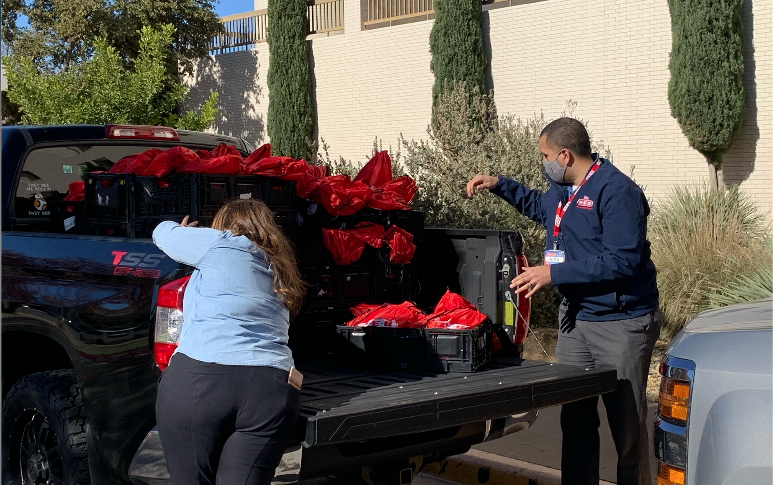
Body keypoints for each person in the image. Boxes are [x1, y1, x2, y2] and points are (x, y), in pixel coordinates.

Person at [466, 117, 659, 485]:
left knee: (627, 431)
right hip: (575, 322)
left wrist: (553, 274)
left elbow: (622, 260)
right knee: (576, 422)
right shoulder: (561, 189)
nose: (544, 162)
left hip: (621, 323)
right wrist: (499, 185)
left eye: (546, 156)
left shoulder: (618, 192)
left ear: (566, 155)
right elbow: (540, 208)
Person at [152, 198, 305, 485]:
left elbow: (162, 232)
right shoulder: (281, 267)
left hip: (200, 382)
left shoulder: (220, 243)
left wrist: (188, 233)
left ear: (224, 225)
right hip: (270, 389)